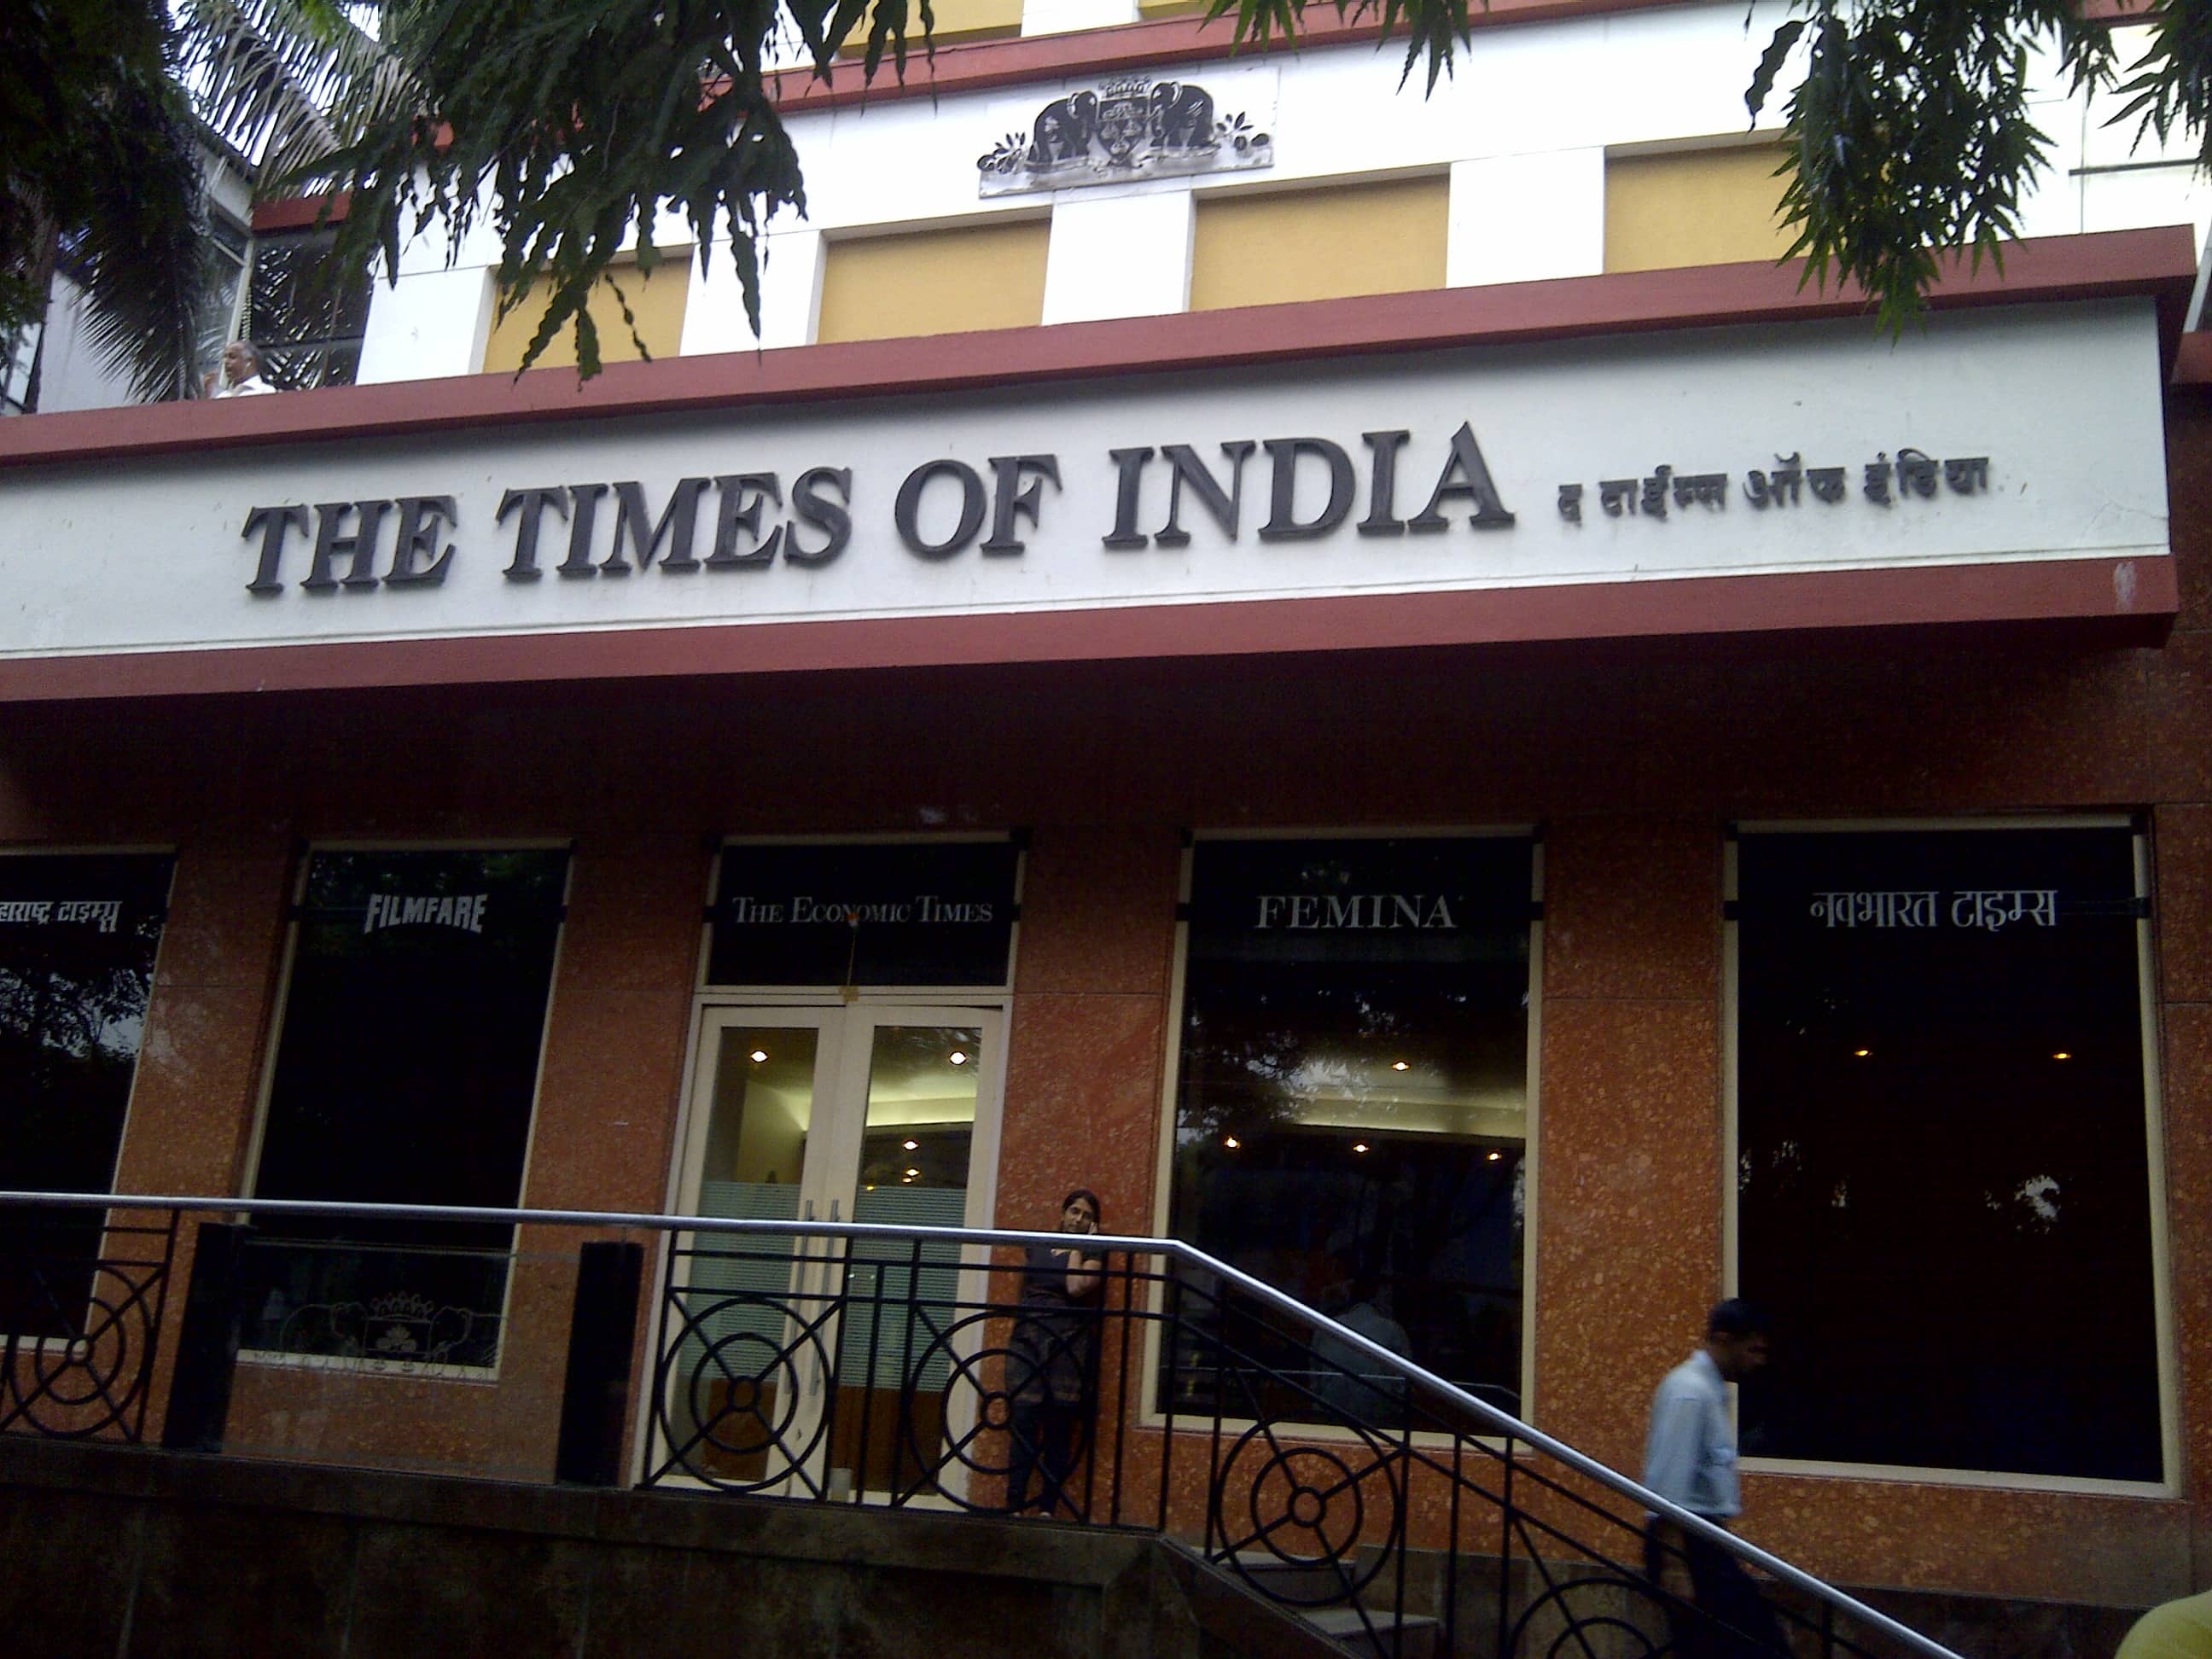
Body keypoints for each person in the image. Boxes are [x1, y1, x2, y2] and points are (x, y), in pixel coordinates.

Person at [1641, 1299, 1787, 1659]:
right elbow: (1668, 1487)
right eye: (1752, 1349)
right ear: (1724, 1339)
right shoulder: (1691, 1393)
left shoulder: (1710, 1391)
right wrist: (1676, 1567)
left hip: (1703, 1540)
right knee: (1757, 1644)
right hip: (1689, 1542)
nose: (1759, 1360)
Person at [1004, 1188, 1105, 1518]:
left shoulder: (1095, 1252)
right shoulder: (1040, 1242)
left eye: (1087, 1215)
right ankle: (1014, 1503)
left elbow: (1076, 1286)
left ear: (1094, 1225)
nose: (1078, 1219)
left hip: (1067, 1339)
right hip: (1029, 1335)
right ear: (1062, 1214)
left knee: (1059, 1423)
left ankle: (1047, 1507)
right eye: (1074, 1211)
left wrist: (1080, 1245)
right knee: (1023, 1417)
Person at [203, 340, 276, 399]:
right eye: (225, 357)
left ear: (249, 361)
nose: (226, 362)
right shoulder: (222, 396)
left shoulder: (266, 392)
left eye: (232, 357)